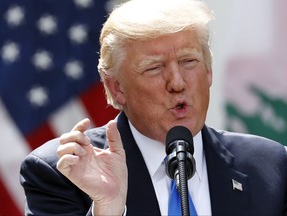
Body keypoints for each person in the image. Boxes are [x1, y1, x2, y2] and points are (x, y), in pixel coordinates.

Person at [20, 0, 287, 215]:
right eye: (155, 68)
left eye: (189, 61)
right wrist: (107, 208)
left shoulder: (270, 166)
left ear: (208, 72)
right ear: (117, 88)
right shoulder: (62, 172)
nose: (177, 82)